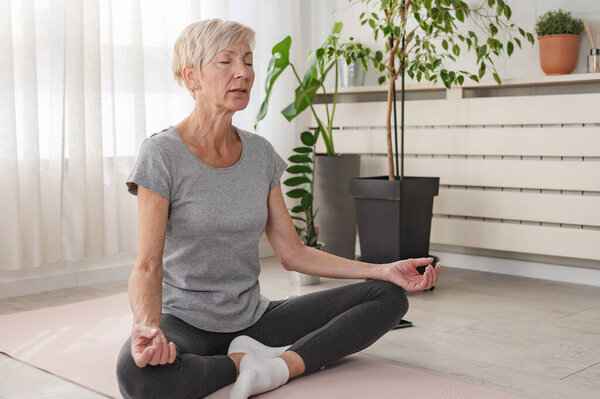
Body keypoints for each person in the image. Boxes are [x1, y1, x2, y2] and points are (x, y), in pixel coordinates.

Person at [116, 18, 440, 399]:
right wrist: (147, 327)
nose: (243, 73)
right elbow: (148, 266)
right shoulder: (161, 154)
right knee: (138, 377)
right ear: (192, 77)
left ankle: (279, 367)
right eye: (226, 61)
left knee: (388, 297)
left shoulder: (260, 154)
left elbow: (292, 252)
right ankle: (242, 364)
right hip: (186, 324)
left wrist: (382, 270)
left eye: (249, 61)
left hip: (254, 321)